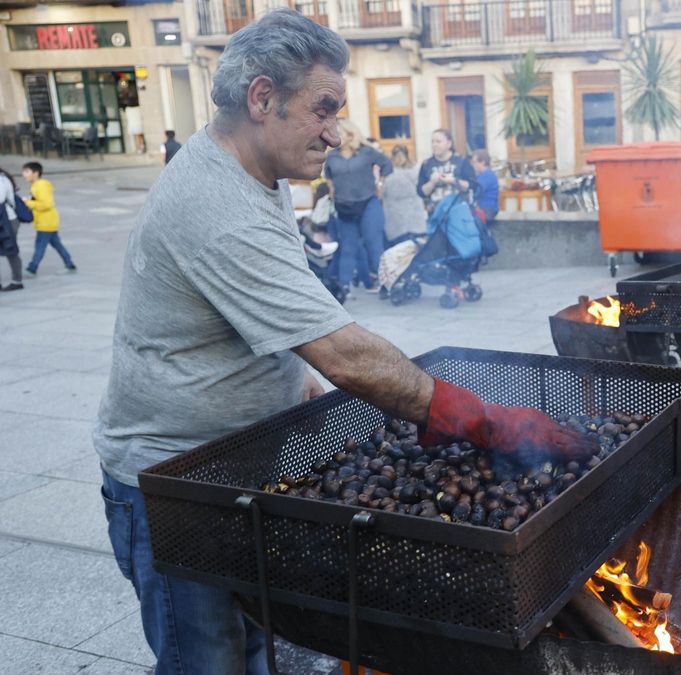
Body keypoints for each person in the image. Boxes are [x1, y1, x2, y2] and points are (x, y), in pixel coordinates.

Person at [92, 10, 593, 674]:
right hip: (172, 486)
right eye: (322, 108)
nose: (336, 130)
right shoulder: (213, 203)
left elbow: (285, 297)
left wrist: (287, 369)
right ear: (262, 98)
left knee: (253, 646)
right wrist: (482, 418)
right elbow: (345, 352)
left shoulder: (257, 170)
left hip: (233, 467)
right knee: (207, 662)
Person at [324, 118, 391, 293]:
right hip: (345, 206)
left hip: (369, 202)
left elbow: (386, 164)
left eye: (339, 132)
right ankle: (343, 287)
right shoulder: (331, 156)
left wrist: (380, 185)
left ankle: (386, 284)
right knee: (348, 247)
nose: (335, 135)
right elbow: (328, 176)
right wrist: (333, 191)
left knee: (373, 244)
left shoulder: (367, 152)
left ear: (350, 134)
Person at [22, 161, 77, 276]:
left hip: (46, 223)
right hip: (47, 222)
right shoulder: (36, 185)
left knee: (40, 245)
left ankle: (32, 268)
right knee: (57, 244)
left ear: (36, 173)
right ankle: (70, 265)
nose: (24, 174)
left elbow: (47, 204)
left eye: (27, 171)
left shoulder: (41, 185)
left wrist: (28, 203)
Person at [416, 128, 475, 210]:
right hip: (436, 213)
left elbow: (472, 186)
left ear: (449, 144)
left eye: (438, 142)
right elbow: (421, 192)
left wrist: (453, 181)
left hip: (458, 212)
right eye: (432, 142)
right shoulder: (426, 164)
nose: (434, 145)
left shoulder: (462, 161)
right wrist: (432, 182)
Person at [381, 144, 427, 246]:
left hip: (414, 213)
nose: (399, 159)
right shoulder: (387, 171)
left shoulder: (416, 170)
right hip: (394, 215)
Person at [0, 168, 23, 291]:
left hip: (8, 221)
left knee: (11, 250)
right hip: (3, 220)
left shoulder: (2, 179)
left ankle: (17, 281)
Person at [471, 149, 499, 224]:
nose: (473, 165)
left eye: (474, 162)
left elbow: (477, 192)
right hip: (488, 208)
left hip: (486, 209)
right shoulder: (486, 174)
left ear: (482, 162)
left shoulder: (486, 176)